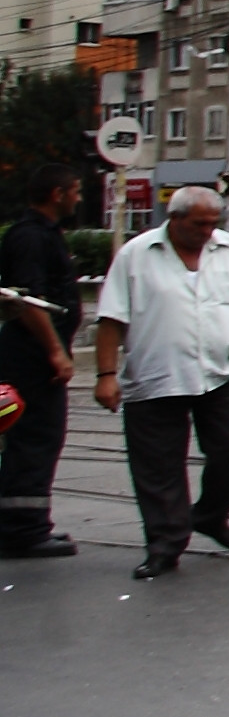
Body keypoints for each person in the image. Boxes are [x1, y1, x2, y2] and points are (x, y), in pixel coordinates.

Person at [91, 184, 229, 579]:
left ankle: (210, 516)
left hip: (224, 373)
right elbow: (111, 320)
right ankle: (165, 543)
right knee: (157, 465)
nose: (207, 231)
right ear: (173, 220)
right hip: (155, 375)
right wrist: (106, 375)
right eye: (198, 224)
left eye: (213, 223)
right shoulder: (136, 255)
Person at [0, 164, 83, 559]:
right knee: (33, 437)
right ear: (57, 194)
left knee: (39, 438)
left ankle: (30, 524)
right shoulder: (31, 237)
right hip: (31, 357)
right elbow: (26, 299)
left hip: (33, 355)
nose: (79, 198)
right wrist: (54, 350)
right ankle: (22, 530)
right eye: (76, 191)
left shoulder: (42, 234)